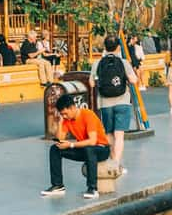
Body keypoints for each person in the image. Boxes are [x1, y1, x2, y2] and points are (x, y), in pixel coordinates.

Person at [42, 94, 110, 200]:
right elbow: (59, 140)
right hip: (85, 149)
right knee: (55, 149)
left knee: (89, 149)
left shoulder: (88, 115)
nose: (64, 116)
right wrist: (60, 123)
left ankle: (92, 188)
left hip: (101, 149)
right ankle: (58, 186)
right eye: (62, 114)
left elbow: (92, 141)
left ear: (73, 108)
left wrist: (71, 144)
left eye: (65, 113)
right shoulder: (65, 119)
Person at [90, 35, 138, 172]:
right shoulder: (123, 62)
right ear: (118, 47)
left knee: (109, 134)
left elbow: (92, 83)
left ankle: (113, 161)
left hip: (105, 103)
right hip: (122, 101)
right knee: (119, 135)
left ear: (104, 47)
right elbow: (133, 80)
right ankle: (117, 164)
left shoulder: (97, 63)